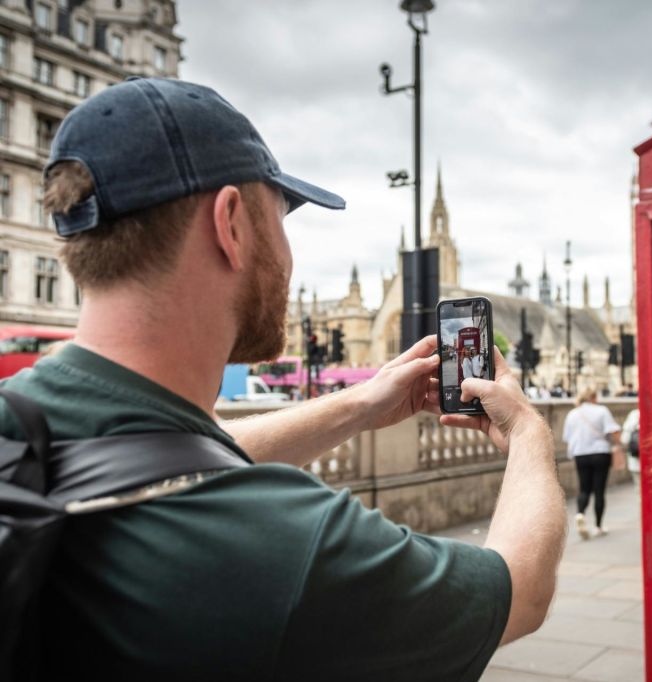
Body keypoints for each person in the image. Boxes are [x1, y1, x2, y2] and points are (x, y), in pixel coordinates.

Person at [0, 78, 566, 680]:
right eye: (282, 217)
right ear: (232, 223)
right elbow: (519, 591)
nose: (290, 255)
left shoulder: (23, 421)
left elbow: (163, 459)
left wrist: (358, 405)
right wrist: (529, 432)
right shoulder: (287, 541)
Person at [562, 387, 621, 539]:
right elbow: (613, 431)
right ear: (593, 397)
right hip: (601, 452)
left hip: (581, 454)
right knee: (599, 491)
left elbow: (567, 437)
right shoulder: (602, 411)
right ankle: (598, 526)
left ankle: (580, 514)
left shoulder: (572, 414)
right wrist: (617, 443)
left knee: (584, 489)